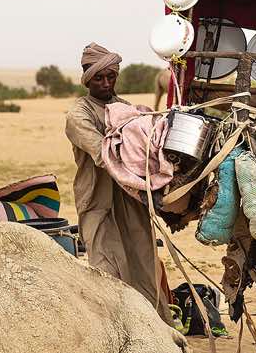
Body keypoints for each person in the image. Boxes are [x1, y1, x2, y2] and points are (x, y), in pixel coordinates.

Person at [65, 42, 173, 324]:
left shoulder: (126, 109)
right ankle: (110, 330)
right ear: (87, 78)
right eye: (99, 78)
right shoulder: (79, 114)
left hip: (131, 199)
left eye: (110, 76)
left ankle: (154, 329)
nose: (106, 83)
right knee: (104, 265)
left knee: (144, 264)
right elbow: (103, 154)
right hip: (96, 199)